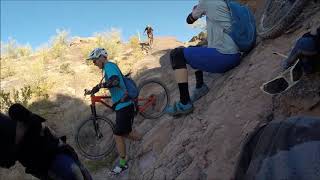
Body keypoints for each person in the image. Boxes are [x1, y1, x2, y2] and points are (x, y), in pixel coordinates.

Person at [166, 0, 241, 116]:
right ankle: (200, 86)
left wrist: (196, 10)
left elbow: (189, 20)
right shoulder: (222, 2)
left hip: (225, 57)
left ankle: (184, 102)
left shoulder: (206, 1)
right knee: (195, 48)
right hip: (234, 53)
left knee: (176, 54)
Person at [86, 47, 142, 175]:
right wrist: (95, 88)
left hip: (125, 104)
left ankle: (123, 164)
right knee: (124, 132)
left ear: (102, 57)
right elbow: (110, 81)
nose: (94, 64)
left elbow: (115, 81)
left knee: (118, 133)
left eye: (94, 60)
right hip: (121, 105)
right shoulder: (107, 69)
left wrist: (101, 85)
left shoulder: (109, 66)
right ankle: (140, 139)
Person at [0, 103, 92, 180]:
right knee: (75, 172)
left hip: (52, 154)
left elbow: (37, 122)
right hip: (43, 163)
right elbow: (8, 162)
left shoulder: (17, 118)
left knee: (75, 172)